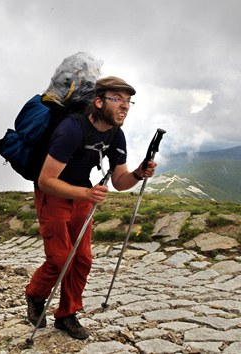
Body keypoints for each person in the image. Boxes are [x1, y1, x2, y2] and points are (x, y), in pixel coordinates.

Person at [25, 76, 157, 340]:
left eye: (129, 101)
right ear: (98, 102)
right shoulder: (72, 129)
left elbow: (120, 181)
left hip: (83, 198)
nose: (125, 106)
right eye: (117, 99)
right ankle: (35, 295)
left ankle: (66, 316)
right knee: (61, 259)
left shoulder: (115, 134)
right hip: (54, 195)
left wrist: (138, 174)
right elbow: (46, 180)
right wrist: (87, 192)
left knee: (82, 259)